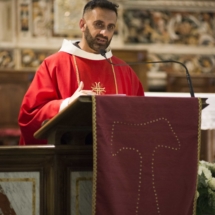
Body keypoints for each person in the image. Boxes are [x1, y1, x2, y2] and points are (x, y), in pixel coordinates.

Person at [18, 0, 144, 145]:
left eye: (110, 27)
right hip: (67, 158)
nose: (105, 33)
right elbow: (29, 117)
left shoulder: (123, 70)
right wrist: (67, 104)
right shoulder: (54, 64)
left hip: (114, 157)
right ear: (82, 25)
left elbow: (140, 116)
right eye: (99, 25)